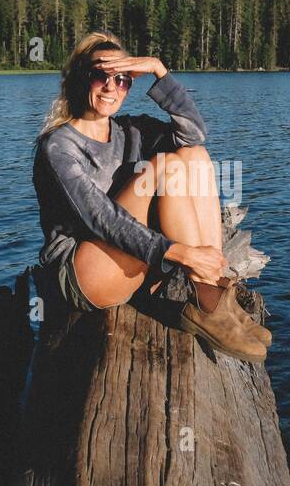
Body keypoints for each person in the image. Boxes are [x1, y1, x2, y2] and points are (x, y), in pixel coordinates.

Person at [32, 30, 271, 361]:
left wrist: (160, 72)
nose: (111, 87)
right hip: (82, 274)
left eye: (123, 79)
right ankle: (208, 299)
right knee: (163, 166)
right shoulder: (59, 147)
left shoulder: (131, 130)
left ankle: (215, 294)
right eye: (100, 75)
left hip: (129, 257)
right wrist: (180, 253)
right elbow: (101, 219)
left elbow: (195, 134)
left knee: (194, 155)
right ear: (81, 77)